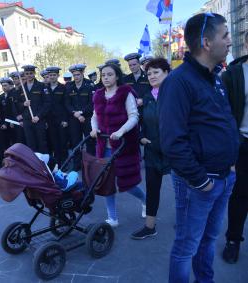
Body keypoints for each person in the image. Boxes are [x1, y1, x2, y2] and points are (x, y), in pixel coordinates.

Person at [158, 13, 238, 283]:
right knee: (186, 246)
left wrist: (231, 166)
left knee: (209, 239)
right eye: (225, 35)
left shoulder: (215, 77)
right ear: (206, 42)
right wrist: (201, 181)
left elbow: (223, 122)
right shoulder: (178, 82)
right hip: (200, 183)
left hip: (224, 177)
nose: (229, 41)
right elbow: (172, 141)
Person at [91, 63, 146, 227]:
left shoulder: (125, 92)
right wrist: (94, 129)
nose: (106, 78)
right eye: (103, 75)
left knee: (127, 183)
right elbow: (94, 117)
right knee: (107, 182)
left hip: (123, 146)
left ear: (116, 76)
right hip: (104, 146)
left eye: (109, 74)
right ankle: (112, 217)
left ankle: (146, 201)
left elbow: (134, 116)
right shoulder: (98, 95)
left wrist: (121, 132)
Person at [131, 58, 171, 240]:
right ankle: (149, 226)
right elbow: (137, 121)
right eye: (149, 73)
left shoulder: (176, 94)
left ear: (167, 73)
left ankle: (187, 223)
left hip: (175, 152)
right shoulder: (146, 98)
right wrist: (140, 138)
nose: (152, 76)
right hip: (152, 150)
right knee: (152, 189)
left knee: (184, 191)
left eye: (156, 72)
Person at [221, 31, 248, 264]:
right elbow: (225, 114)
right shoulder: (234, 74)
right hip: (243, 143)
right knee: (240, 194)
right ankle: (233, 240)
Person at [65, 64, 96, 171]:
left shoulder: (90, 85)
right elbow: (67, 103)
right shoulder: (69, 86)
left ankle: (91, 164)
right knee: (76, 142)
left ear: (82, 74)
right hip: (74, 118)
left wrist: (82, 112)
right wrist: (75, 113)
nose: (76, 77)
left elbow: (92, 102)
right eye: (74, 75)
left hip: (87, 118)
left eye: (78, 74)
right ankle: (77, 164)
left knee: (90, 142)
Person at [20, 65, 51, 153]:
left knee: (42, 144)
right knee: (30, 145)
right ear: (24, 75)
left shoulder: (42, 86)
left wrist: (39, 116)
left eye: (31, 73)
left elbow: (47, 104)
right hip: (27, 120)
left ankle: (44, 165)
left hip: (38, 120)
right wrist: (23, 104)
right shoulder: (21, 88)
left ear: (34, 74)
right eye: (27, 74)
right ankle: (34, 165)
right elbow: (17, 104)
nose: (29, 75)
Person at [45, 66, 69, 167]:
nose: (52, 77)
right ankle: (57, 163)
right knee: (54, 142)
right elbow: (44, 105)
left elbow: (66, 104)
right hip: (49, 120)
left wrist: (65, 119)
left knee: (63, 142)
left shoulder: (63, 88)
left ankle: (65, 163)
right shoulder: (45, 89)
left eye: (54, 75)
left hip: (61, 119)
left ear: (58, 76)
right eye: (50, 75)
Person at [9, 71, 26, 144]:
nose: (15, 80)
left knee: (26, 140)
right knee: (18, 140)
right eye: (14, 79)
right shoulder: (11, 91)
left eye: (17, 78)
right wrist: (12, 120)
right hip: (15, 119)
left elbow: (26, 106)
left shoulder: (24, 90)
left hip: (24, 118)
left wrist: (22, 117)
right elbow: (10, 107)